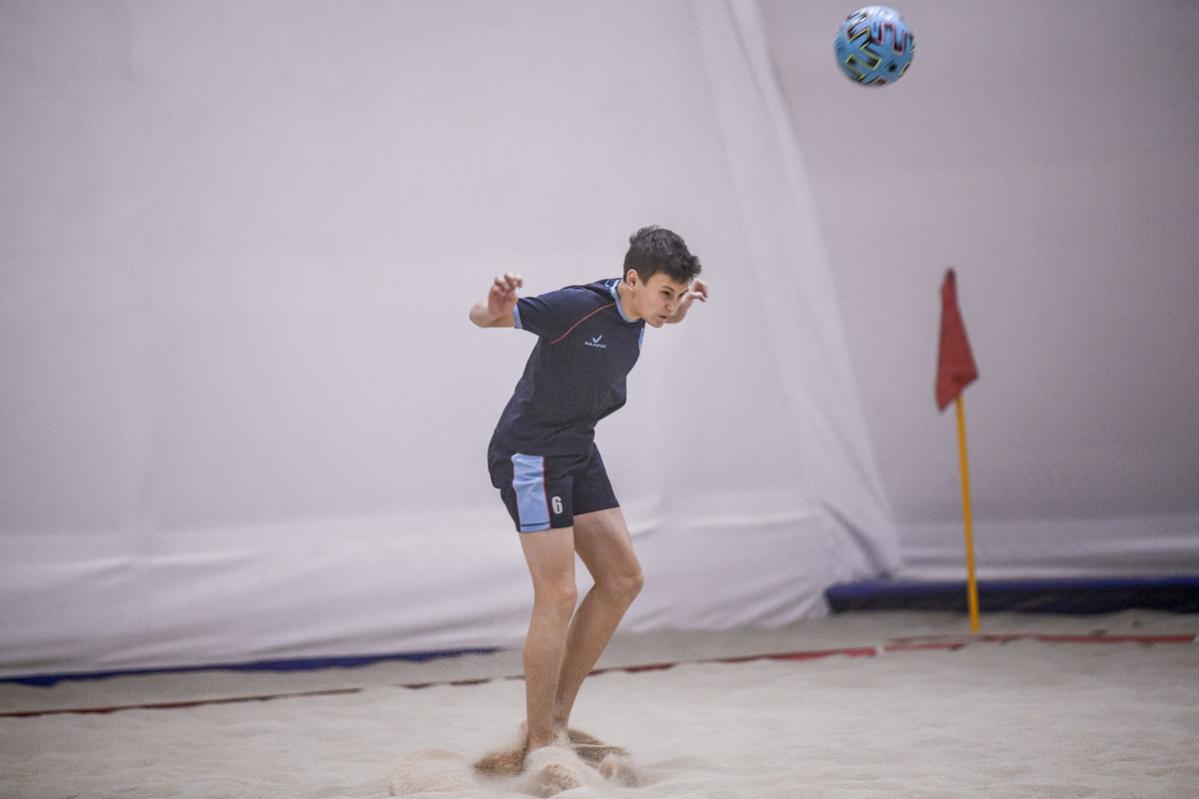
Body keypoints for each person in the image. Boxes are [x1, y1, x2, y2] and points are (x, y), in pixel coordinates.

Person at [468, 226, 708, 761]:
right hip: (531, 455)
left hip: (578, 446)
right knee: (558, 595)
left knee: (623, 579)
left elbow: (662, 316)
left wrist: (681, 305)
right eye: (665, 294)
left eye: (677, 295)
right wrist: (492, 308)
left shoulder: (644, 310)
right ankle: (539, 746)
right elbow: (483, 317)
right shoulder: (577, 307)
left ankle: (556, 720)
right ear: (632, 280)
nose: (670, 306)